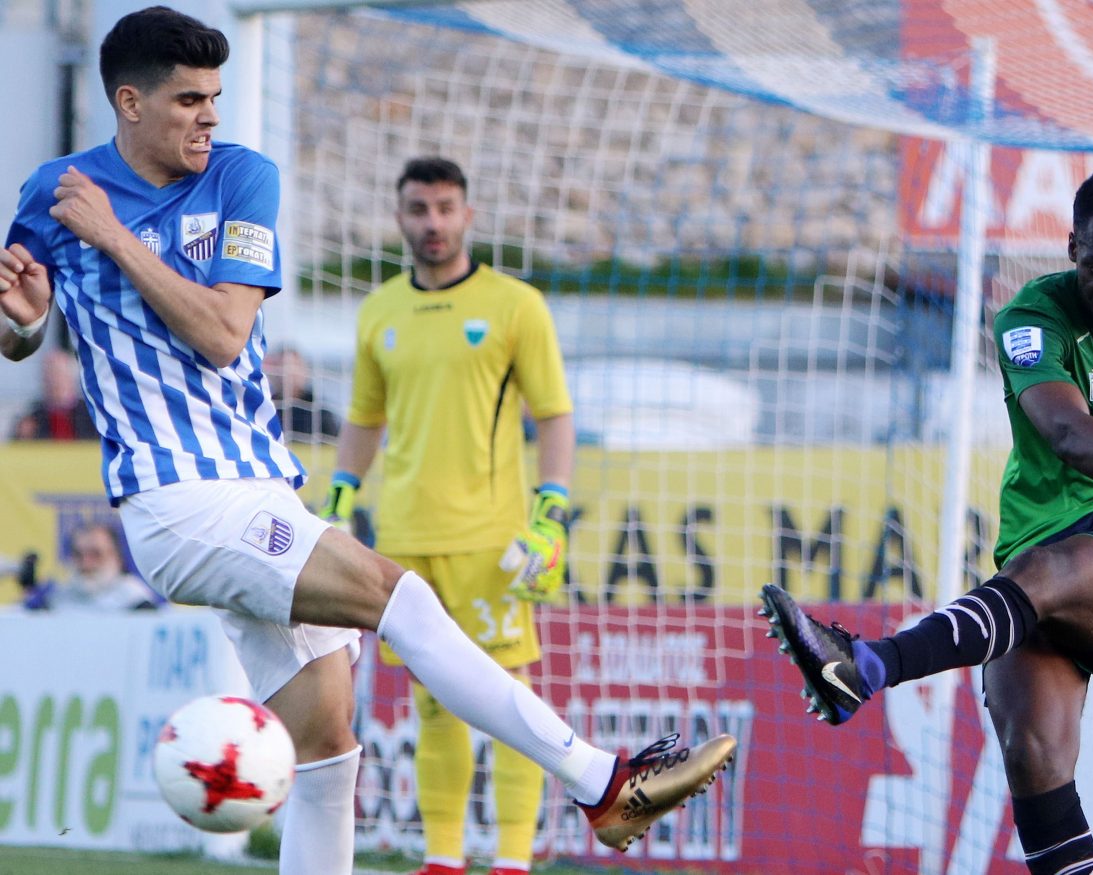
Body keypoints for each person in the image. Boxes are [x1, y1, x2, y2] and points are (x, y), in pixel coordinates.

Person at [0, 9, 735, 875]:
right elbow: (19, 331)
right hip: (179, 502)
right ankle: (603, 782)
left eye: (215, 97)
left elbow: (226, 333)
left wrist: (113, 238)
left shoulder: (240, 177)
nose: (209, 117)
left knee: (328, 752)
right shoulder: (58, 192)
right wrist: (25, 322)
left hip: (258, 488)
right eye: (189, 100)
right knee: (403, 599)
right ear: (130, 103)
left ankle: (592, 787)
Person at [760, 169, 1093, 875]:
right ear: (1071, 248)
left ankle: (868, 665)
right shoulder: (1031, 320)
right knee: (1031, 755)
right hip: (1039, 569)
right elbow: (1067, 432)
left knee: (1050, 570)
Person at [321, 157, 573, 875]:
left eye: (444, 208)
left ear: (468, 214)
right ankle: (443, 858)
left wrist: (550, 512)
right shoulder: (379, 311)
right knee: (432, 703)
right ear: (399, 216)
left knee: (509, 700)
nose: (432, 222)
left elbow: (555, 415)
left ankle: (513, 859)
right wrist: (339, 496)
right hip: (403, 540)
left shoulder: (516, 305)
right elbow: (365, 418)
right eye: (418, 209)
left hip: (491, 541)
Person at [23, 521, 163, 611]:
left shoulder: (136, 600)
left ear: (117, 558)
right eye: (78, 555)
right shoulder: (56, 599)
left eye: (96, 555)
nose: (86, 564)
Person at [11, 346, 96, 440]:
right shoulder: (33, 418)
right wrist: (23, 436)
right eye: (49, 374)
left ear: (70, 377)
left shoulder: (90, 414)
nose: (54, 381)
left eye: (58, 373)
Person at [263, 345, 341, 439]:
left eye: (294, 367)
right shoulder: (266, 406)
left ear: (304, 371)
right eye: (282, 366)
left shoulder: (319, 409)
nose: (289, 374)